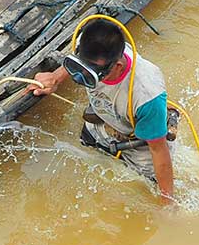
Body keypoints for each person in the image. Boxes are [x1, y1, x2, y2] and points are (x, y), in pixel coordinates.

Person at [26, 19, 174, 204]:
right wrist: (55, 78)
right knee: (88, 147)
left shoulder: (146, 94)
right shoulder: (88, 43)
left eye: (92, 74)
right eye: (81, 67)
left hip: (140, 146)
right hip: (104, 123)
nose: (81, 78)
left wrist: (167, 202)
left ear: (118, 66)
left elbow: (158, 150)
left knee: (143, 190)